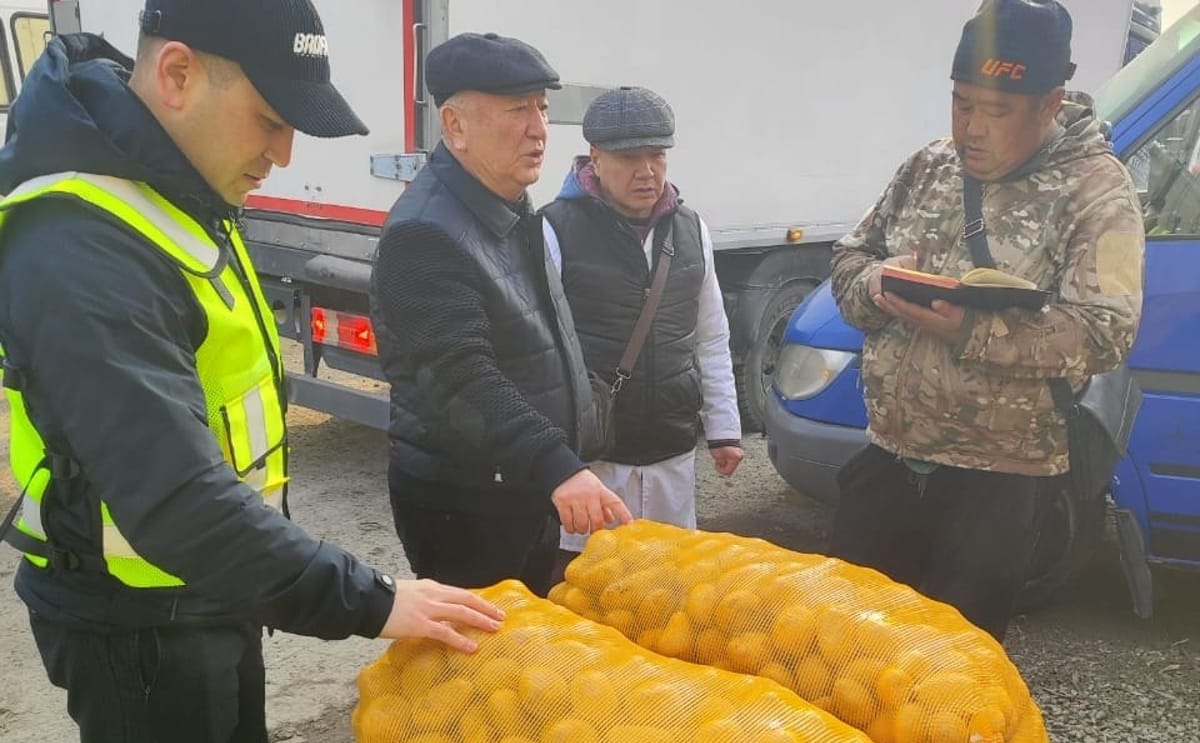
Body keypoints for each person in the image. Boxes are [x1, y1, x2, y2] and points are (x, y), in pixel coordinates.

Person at [0, 2, 504, 741]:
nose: (286, 154)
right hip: (141, 628)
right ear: (177, 73)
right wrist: (373, 600)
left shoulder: (175, 189)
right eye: (271, 120)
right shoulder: (81, 242)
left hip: (211, 591)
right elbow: (177, 498)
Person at [827, 0, 1143, 641]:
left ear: (1051, 103)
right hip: (889, 461)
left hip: (995, 488)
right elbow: (850, 254)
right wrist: (875, 284)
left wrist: (972, 331)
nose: (971, 127)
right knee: (846, 651)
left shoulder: (1095, 191)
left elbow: (1106, 331)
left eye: (996, 111)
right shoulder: (929, 166)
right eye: (960, 103)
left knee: (951, 673)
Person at [369, 32, 634, 599]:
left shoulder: (505, 202)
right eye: (518, 110)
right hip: (467, 502)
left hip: (517, 481)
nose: (539, 128)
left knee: (531, 648)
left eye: (541, 107)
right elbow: (460, 376)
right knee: (488, 674)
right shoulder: (425, 234)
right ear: (455, 126)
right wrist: (556, 463)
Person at [540, 86, 743, 572]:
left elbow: (711, 335)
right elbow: (541, 354)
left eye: (657, 155)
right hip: (596, 463)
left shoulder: (692, 230)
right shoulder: (554, 229)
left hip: (671, 450)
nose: (647, 171)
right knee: (588, 588)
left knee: (668, 588)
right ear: (594, 157)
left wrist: (724, 428)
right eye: (630, 157)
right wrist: (554, 460)